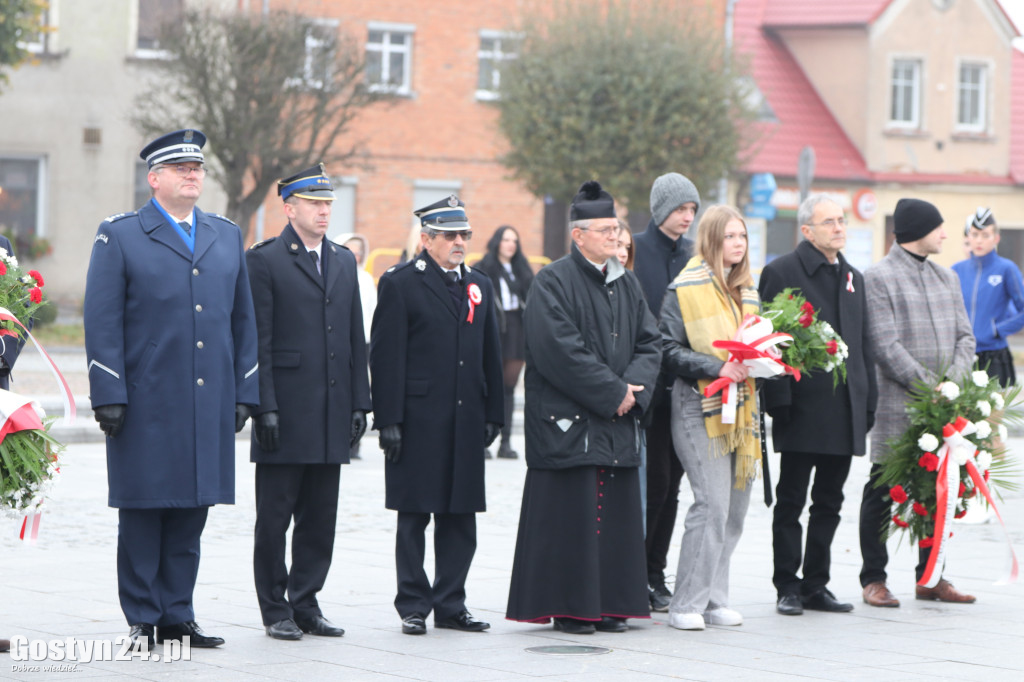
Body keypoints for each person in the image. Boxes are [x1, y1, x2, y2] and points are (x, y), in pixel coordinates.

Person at [84, 129, 259, 649]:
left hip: (207, 400)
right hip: (146, 398)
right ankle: (142, 616)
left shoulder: (225, 234)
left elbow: (243, 319)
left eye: (198, 168)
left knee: (191, 510)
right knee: (144, 509)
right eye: (181, 168)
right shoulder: (121, 234)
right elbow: (102, 318)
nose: (192, 175)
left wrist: (245, 390)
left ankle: (177, 613)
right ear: (153, 178)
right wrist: (108, 391)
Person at [506, 181, 661, 635]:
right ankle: (571, 606)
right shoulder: (552, 281)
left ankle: (612, 604)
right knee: (571, 521)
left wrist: (634, 390)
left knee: (615, 522)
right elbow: (560, 352)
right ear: (579, 235)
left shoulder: (626, 282)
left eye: (617, 229)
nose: (616, 237)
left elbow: (650, 343)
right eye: (607, 230)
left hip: (617, 423)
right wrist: (615, 393)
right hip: (569, 426)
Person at [246, 164, 372, 641]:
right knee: (275, 517)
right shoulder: (266, 260)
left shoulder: (342, 260)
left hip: (332, 410)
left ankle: (306, 601)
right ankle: (274, 606)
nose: (324, 211)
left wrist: (361, 400)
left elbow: (355, 338)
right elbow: (258, 339)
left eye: (328, 204)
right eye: (315, 203)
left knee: (321, 517)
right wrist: (264, 406)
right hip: (287, 410)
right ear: (289, 207)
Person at [370, 195, 503, 636]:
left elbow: (490, 354)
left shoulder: (478, 284)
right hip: (418, 419)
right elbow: (386, 357)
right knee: (414, 517)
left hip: (465, 419)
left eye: (465, 234)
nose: (460, 242)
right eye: (450, 235)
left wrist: (495, 414)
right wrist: (388, 419)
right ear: (426, 239)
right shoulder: (401, 282)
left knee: (460, 518)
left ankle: (451, 603)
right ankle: (413, 604)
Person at [758, 195, 877, 616]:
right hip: (802, 409)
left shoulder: (853, 277)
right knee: (791, 501)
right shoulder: (781, 272)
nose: (839, 228)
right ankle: (787, 586)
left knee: (829, 502)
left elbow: (863, 344)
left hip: (844, 411)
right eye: (829, 222)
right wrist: (779, 402)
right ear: (807, 230)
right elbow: (771, 343)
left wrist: (868, 402)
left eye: (842, 221)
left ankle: (815, 585)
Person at [860, 198, 976, 607]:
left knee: (938, 491)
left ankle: (932, 577)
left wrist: (954, 384)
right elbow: (885, 345)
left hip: (945, 409)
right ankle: (873, 578)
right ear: (916, 231)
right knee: (881, 489)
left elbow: (966, 336)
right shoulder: (878, 277)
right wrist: (932, 388)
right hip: (900, 406)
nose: (946, 234)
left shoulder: (948, 278)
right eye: (939, 227)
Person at [659, 205, 759, 631]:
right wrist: (716, 367)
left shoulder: (747, 290)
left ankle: (716, 598)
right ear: (711, 240)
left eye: (743, 237)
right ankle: (686, 603)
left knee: (735, 508)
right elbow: (665, 349)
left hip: (743, 409)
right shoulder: (683, 288)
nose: (738, 244)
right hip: (699, 405)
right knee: (712, 504)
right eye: (730, 236)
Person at [633, 172, 700, 611]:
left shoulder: (694, 256)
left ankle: (655, 572)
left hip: (685, 386)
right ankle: (637, 571)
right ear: (661, 210)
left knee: (673, 485)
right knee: (652, 483)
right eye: (680, 209)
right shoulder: (637, 251)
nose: (688, 218)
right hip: (647, 387)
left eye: (693, 210)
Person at [473, 225, 534, 460]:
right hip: (493, 329)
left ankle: (505, 442)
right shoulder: (483, 268)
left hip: (517, 330)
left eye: (514, 241)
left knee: (508, 386)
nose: (510, 244)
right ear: (497, 241)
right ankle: (483, 440)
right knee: (487, 385)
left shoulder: (522, 270)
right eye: (506, 239)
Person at [951, 207, 1024, 387]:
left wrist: (997, 330)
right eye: (974, 235)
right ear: (968, 237)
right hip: (962, 354)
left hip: (994, 354)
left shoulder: (1007, 269)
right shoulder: (956, 270)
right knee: (959, 415)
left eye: (985, 235)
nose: (979, 241)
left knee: (991, 415)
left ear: (996, 238)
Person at [338, 232, 378, 460]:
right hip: (341, 342)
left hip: (363, 342)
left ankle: (356, 440)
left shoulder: (365, 279)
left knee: (360, 390)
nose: (356, 255)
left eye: (359, 251)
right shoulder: (337, 273)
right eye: (351, 250)